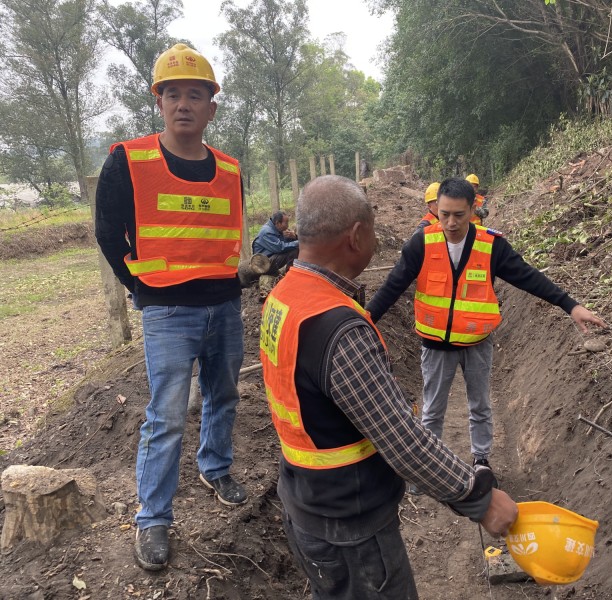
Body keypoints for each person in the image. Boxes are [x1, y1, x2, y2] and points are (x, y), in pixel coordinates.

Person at [260, 175, 518, 599]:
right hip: (352, 525)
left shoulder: (285, 296)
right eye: (374, 230)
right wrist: (480, 498)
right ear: (357, 235)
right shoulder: (339, 328)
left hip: (305, 503)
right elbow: (399, 437)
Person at [95, 43, 248, 572]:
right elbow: (107, 231)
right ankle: (153, 518)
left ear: (211, 106)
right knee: (166, 417)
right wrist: (140, 289)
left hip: (224, 306)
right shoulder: (128, 160)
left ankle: (216, 467)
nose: (184, 103)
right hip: (166, 314)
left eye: (196, 94)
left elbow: (226, 236)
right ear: (158, 102)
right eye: (173, 93)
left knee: (224, 394)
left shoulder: (229, 169)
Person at [366, 177, 608, 471]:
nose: (451, 222)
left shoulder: (491, 245)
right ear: (435, 210)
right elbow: (392, 286)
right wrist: (365, 322)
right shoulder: (422, 243)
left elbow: (527, 276)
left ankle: (481, 460)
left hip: (477, 343)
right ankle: (429, 466)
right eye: (444, 214)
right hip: (436, 345)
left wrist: (570, 305)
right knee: (432, 410)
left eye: (459, 215)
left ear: (472, 210)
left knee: (479, 406)